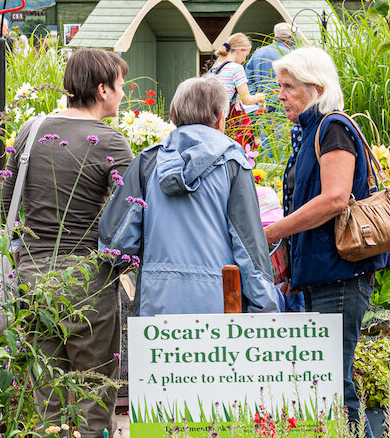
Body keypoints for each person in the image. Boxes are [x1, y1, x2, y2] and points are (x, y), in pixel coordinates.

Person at [0, 48, 134, 438]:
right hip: (86, 285)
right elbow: (133, 214)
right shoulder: (110, 142)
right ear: (101, 89)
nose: (123, 93)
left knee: (47, 400)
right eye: (121, 84)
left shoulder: (32, 130)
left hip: (31, 279)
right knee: (95, 399)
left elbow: (4, 208)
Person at [262, 47, 390, 435]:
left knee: (336, 379)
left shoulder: (332, 128)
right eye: (280, 86)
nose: (279, 94)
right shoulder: (312, 131)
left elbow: (335, 198)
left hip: (340, 271)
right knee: (332, 377)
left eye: (288, 87)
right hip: (323, 271)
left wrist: (272, 232)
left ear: (316, 88)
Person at [99, 76, 278, 316]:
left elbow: (116, 242)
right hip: (220, 304)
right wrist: (266, 308)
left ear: (173, 115)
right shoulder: (233, 164)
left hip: (156, 303)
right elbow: (249, 249)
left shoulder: (147, 163)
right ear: (220, 118)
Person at [207, 33, 260, 149]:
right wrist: (260, 97)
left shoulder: (215, 68)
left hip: (212, 118)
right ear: (240, 50)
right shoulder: (236, 68)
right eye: (245, 55)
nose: (244, 59)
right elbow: (246, 99)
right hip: (226, 121)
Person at [245, 22, 295, 105]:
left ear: (275, 37)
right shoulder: (290, 55)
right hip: (282, 108)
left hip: (260, 108)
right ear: (290, 38)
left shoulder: (258, 53)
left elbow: (248, 80)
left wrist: (257, 100)